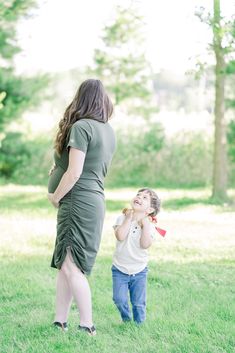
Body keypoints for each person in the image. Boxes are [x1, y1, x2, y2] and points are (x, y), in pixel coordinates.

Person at [47, 79, 116, 336]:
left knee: (72, 266)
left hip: (77, 201)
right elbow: (84, 166)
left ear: (81, 98)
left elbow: (75, 172)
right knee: (66, 263)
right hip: (94, 200)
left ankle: (88, 325)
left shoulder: (81, 126)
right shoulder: (107, 129)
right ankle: (60, 320)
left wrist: (55, 196)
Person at [112, 188, 165, 324]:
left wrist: (145, 225)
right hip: (119, 269)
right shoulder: (122, 218)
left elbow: (145, 244)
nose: (139, 197)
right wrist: (128, 219)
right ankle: (127, 319)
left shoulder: (150, 226)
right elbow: (120, 236)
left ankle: (139, 325)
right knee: (119, 299)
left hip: (139, 270)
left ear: (149, 210)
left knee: (138, 302)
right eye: (138, 195)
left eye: (145, 198)